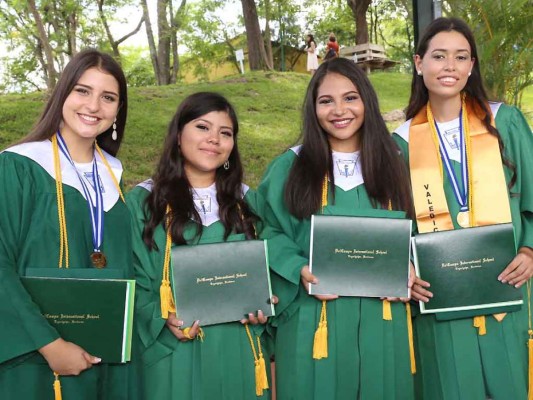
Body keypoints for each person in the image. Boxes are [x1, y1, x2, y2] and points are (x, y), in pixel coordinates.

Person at [258, 57, 416, 399]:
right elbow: (265, 229)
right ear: (313, 108)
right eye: (326, 100)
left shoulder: (398, 160)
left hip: (384, 318)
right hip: (313, 320)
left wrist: (411, 263)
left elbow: (422, 226)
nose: (339, 110)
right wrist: (296, 267)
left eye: (350, 97)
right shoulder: (290, 167)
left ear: (366, 102)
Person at [393, 17, 533, 400]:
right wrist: (399, 266)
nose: (450, 67)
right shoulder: (399, 143)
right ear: (419, 63)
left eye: (460, 57)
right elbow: (391, 223)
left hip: (510, 287)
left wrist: (530, 249)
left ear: (472, 66)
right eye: (439, 56)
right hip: (440, 299)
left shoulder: (504, 122)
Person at [0, 49, 136, 399]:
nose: (94, 106)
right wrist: (49, 344)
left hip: (108, 357)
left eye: (108, 97)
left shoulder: (114, 176)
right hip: (35, 358)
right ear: (62, 94)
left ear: (118, 111)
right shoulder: (19, 166)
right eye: (82, 91)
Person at [127, 92, 273, 400]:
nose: (214, 140)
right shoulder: (144, 202)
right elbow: (130, 276)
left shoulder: (249, 202)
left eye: (225, 133)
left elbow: (269, 270)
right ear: (178, 135)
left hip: (240, 348)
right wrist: (158, 316)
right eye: (202, 127)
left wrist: (266, 304)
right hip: (171, 352)